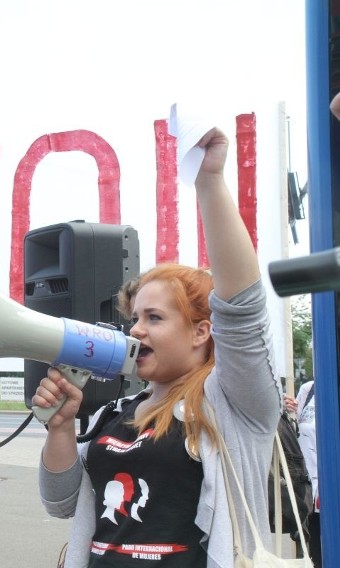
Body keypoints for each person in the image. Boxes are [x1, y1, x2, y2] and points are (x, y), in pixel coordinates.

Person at [35, 127, 281, 566]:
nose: (135, 331)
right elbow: (60, 504)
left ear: (202, 332)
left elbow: (242, 311)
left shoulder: (234, 405)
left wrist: (209, 181)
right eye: (134, 319)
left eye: (154, 318)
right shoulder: (114, 412)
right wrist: (60, 429)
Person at [285, 381, 321, 567]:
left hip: (329, 491)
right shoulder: (309, 389)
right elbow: (299, 430)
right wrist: (292, 410)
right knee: (315, 554)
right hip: (308, 491)